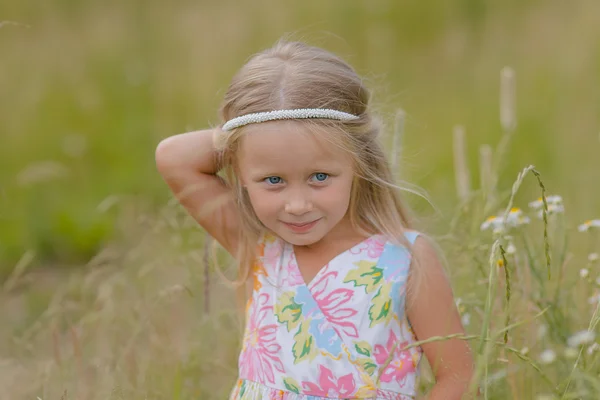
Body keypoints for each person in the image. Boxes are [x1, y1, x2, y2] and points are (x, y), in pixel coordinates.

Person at [155, 39, 475, 400]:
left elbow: (459, 379)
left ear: (359, 162)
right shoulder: (260, 244)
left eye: (319, 177)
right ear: (240, 173)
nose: (297, 204)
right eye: (273, 180)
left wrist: (267, 134)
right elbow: (173, 157)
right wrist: (247, 133)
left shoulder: (405, 259)